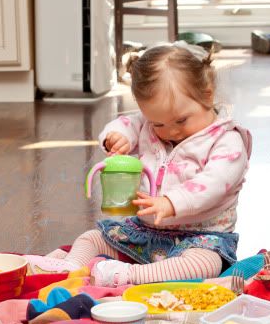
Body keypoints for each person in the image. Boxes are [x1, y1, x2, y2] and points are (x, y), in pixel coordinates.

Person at [64, 42, 252, 286]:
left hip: (201, 238)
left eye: (181, 120)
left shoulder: (228, 141)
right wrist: (116, 138)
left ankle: (130, 275)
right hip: (146, 233)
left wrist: (171, 203)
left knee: (204, 264)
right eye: (159, 124)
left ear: (207, 94)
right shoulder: (149, 123)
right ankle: (67, 269)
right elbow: (129, 123)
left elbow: (213, 183)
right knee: (91, 238)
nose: (171, 131)